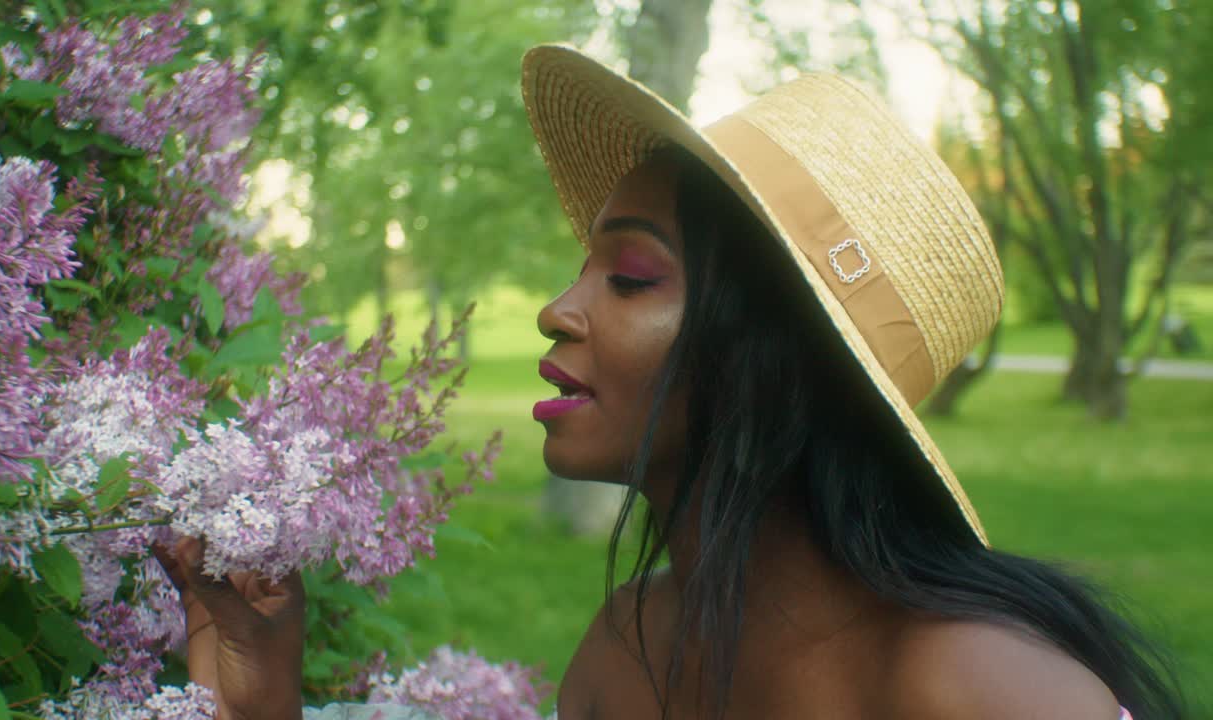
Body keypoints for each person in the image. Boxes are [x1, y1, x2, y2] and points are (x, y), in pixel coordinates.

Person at [157, 45, 1185, 720]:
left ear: (779, 357)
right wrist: (264, 706)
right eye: (583, 269)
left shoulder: (969, 683)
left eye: (632, 276)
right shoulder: (626, 655)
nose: (557, 310)